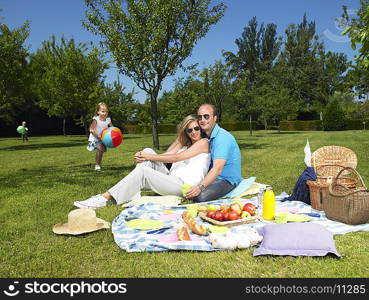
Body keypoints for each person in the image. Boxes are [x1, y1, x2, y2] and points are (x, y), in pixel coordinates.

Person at [74, 114, 210, 209]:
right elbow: (167, 155)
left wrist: (147, 157)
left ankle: (104, 198)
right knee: (148, 150)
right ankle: (132, 190)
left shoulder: (204, 143)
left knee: (145, 166)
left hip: (184, 187)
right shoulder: (185, 145)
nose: (193, 132)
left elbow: (177, 158)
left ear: (201, 129)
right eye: (189, 130)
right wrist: (178, 140)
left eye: (196, 128)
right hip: (170, 179)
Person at [184, 103, 242, 202]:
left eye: (206, 116)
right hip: (213, 177)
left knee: (200, 197)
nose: (202, 120)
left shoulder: (222, 137)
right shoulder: (207, 136)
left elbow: (217, 168)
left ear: (215, 118)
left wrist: (200, 187)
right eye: (200, 117)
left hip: (226, 180)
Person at [86, 102, 113, 171]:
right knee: (100, 149)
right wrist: (97, 136)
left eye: (106, 111)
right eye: (103, 111)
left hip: (103, 138)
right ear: (98, 112)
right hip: (95, 137)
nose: (105, 113)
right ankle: (97, 165)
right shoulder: (96, 119)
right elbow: (91, 129)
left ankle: (98, 164)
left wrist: (115, 134)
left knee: (101, 151)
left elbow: (112, 128)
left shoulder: (108, 120)